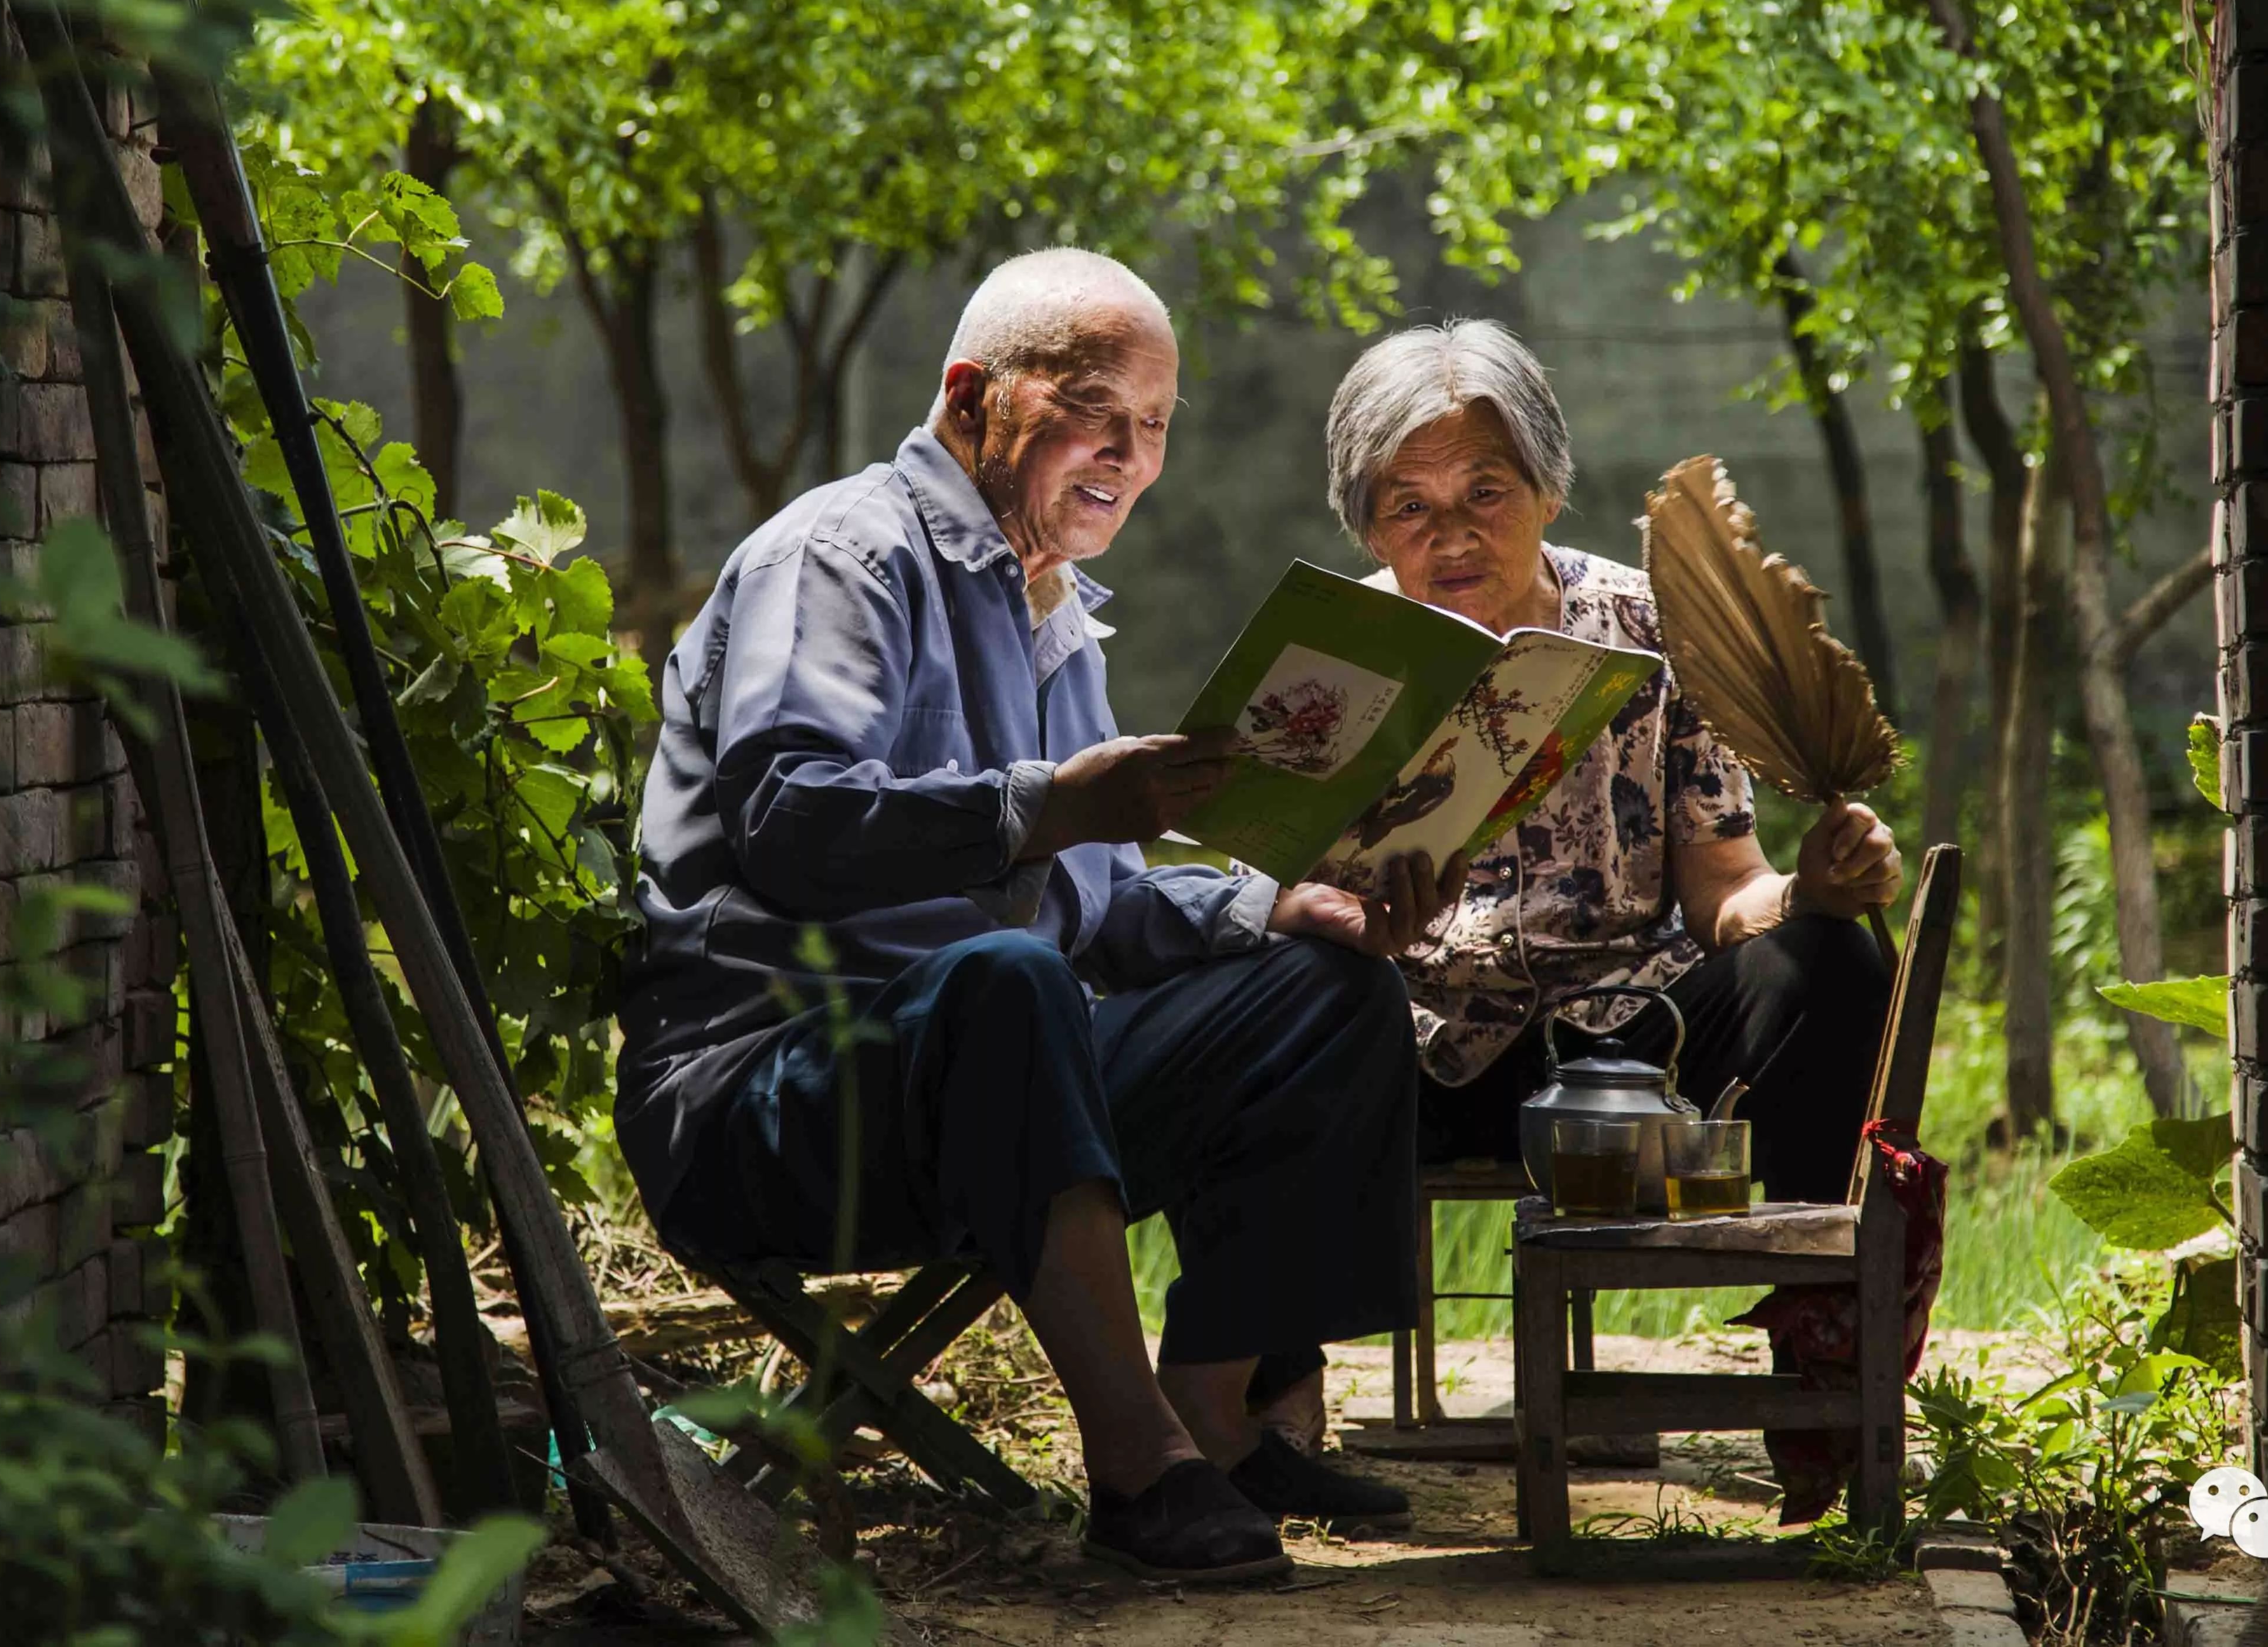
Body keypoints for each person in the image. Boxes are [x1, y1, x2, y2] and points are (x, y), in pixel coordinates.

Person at [619, 250, 1449, 1580]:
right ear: (971, 396)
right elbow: (787, 816)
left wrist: (1289, 900)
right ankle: (1134, 1469)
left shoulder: (1058, 616)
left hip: (989, 1086)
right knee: (1006, 978)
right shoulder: (842, 552)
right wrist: (1047, 804)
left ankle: (1217, 1424)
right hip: (768, 1095)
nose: (1131, 451)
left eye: (1157, 423)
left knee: (1322, 986)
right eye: (1095, 406)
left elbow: (1102, 915)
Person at [1252, 317, 1905, 1442]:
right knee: (1268, 1007)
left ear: (1549, 491)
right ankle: (1264, 1403)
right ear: (1368, 522)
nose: (1450, 534)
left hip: (1623, 1057)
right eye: (1409, 505)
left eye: (1486, 493)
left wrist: (1809, 894)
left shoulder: (1650, 635)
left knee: (1834, 960)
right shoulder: (1334, 660)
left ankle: (1818, 1362)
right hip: (1405, 1054)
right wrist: (1334, 915)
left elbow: (1725, 894)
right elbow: (1261, 886)